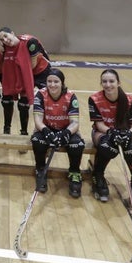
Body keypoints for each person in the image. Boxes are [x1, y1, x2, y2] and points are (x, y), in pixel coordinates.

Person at [88, 69, 132, 207]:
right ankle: (98, 177)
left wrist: (129, 134)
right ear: (101, 83)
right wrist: (111, 132)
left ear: (118, 83)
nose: (108, 85)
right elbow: (98, 124)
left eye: (111, 81)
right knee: (108, 148)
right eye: (104, 81)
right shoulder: (94, 99)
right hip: (103, 132)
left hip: (124, 133)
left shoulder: (130, 100)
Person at [30, 69, 85, 197]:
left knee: (77, 144)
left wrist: (65, 133)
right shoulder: (40, 95)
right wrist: (46, 131)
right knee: (37, 141)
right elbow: (37, 119)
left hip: (66, 128)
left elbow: (75, 123)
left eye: (56, 81)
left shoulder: (71, 96)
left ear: (62, 83)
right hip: (46, 127)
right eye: (49, 81)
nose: (52, 85)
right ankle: (40, 169)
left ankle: (74, 172)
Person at [0, 27, 51, 135]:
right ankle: (12, 130)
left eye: (6, 36)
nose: (5, 40)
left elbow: (32, 65)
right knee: (20, 104)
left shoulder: (30, 42)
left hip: (41, 71)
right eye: (2, 39)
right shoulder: (7, 47)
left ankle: (48, 127)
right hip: (25, 72)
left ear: (12, 33)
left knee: (47, 100)